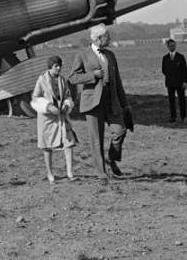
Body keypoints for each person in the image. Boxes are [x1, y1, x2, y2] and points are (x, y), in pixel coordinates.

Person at [68, 24, 130, 184]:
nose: (110, 39)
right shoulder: (82, 54)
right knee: (96, 139)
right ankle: (101, 173)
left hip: (112, 100)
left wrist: (125, 103)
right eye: (107, 36)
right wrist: (92, 76)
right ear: (99, 38)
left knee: (120, 131)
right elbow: (73, 78)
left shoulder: (110, 54)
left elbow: (118, 80)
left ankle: (112, 158)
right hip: (93, 103)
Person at [31, 56, 78, 184]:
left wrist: (67, 104)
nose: (58, 68)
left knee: (69, 141)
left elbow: (67, 95)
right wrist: (48, 106)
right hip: (47, 118)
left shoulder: (63, 80)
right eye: (56, 66)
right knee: (47, 146)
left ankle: (70, 172)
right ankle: (50, 174)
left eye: (59, 65)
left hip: (61, 116)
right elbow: (35, 97)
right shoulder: (41, 80)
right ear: (50, 67)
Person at [161, 39, 187, 122]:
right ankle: (173, 117)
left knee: (182, 101)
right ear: (168, 47)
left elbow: (185, 70)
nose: (172, 47)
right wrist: (170, 76)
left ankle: (183, 117)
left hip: (180, 82)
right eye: (170, 46)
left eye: (173, 45)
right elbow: (163, 70)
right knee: (171, 101)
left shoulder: (180, 57)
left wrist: (185, 81)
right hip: (170, 82)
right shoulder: (165, 58)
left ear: (175, 46)